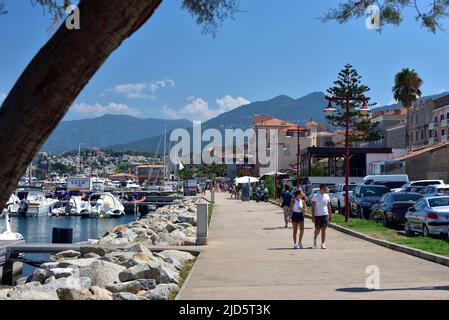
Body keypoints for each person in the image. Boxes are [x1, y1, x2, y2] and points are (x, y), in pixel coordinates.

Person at [311, 184, 332, 249]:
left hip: (325, 214)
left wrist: (330, 215)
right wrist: (313, 216)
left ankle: (323, 243)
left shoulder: (327, 196)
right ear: (321, 189)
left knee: (324, 229)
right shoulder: (315, 196)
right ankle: (315, 238)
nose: (326, 190)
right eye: (325, 189)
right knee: (317, 229)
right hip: (317, 215)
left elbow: (329, 206)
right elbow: (313, 207)